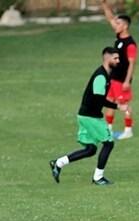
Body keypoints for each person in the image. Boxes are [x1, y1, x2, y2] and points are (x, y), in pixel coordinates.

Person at [49, 47, 126, 185]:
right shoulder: (100, 76)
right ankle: (98, 177)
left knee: (90, 150)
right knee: (108, 143)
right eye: (115, 58)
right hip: (90, 117)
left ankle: (58, 163)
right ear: (107, 58)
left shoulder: (106, 74)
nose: (118, 61)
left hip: (86, 115)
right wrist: (117, 106)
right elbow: (98, 99)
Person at [101, 0, 137, 140]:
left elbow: (132, 64)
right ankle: (108, 128)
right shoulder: (119, 38)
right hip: (113, 77)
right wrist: (104, 4)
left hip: (122, 79)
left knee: (124, 104)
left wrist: (127, 81)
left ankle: (128, 130)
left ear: (125, 25)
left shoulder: (130, 44)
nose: (115, 25)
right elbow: (110, 18)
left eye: (118, 24)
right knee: (109, 101)